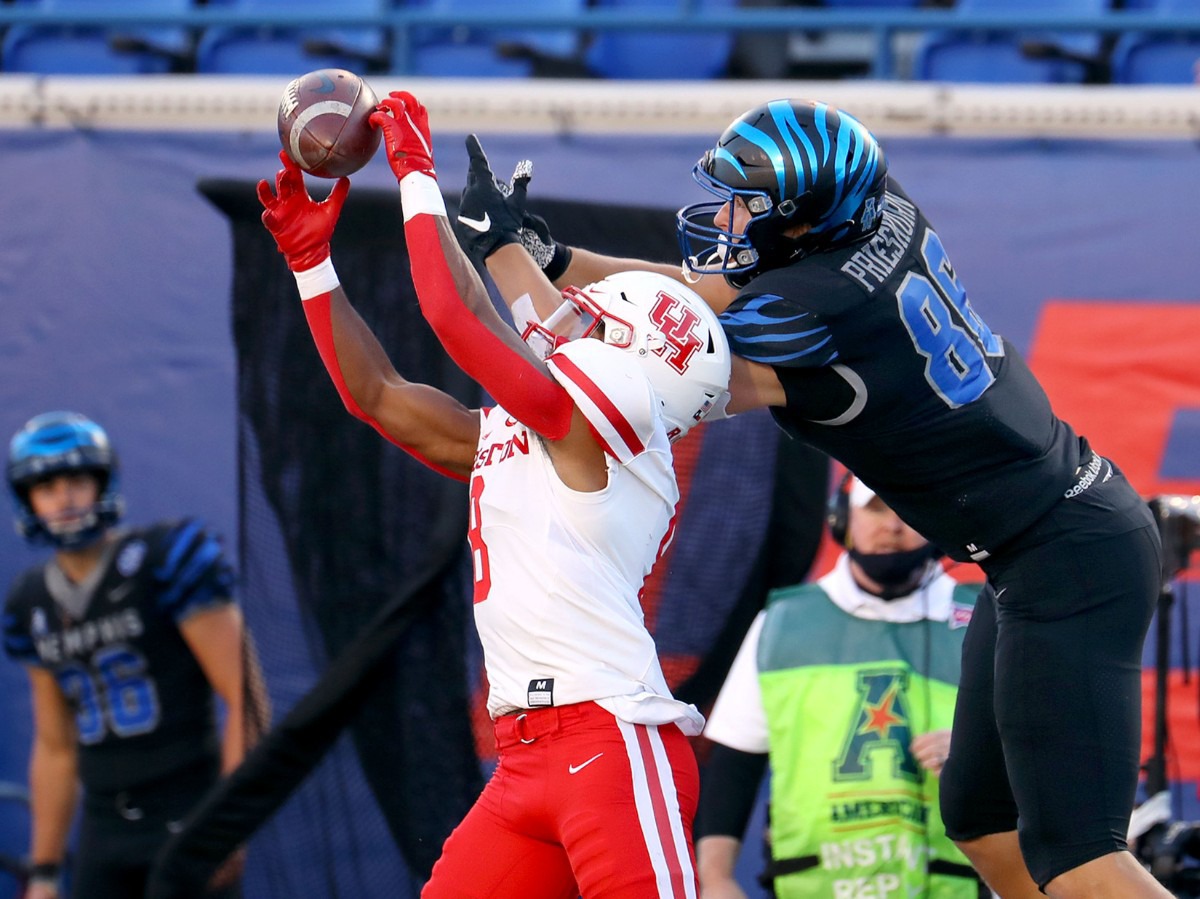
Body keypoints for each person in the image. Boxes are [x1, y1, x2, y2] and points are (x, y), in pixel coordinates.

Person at [452, 99, 1168, 898]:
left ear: (801, 221)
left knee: (1082, 858)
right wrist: (557, 258)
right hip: (1050, 536)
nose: (725, 215)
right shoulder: (875, 214)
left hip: (1063, 559)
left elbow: (626, 383)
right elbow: (704, 301)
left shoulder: (811, 316)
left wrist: (503, 254)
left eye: (747, 204)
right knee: (980, 820)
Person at [256, 89, 732, 898]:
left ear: (630, 352)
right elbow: (377, 393)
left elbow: (454, 321)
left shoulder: (602, 426)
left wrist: (415, 174)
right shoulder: (554, 428)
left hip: (611, 742)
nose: (563, 316)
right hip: (527, 756)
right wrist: (313, 267)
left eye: (592, 319)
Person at [695, 473, 982, 899]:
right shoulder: (782, 623)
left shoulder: (987, 620)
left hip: (956, 886)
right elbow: (734, 766)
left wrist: (981, 759)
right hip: (809, 887)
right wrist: (716, 879)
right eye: (876, 508)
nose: (892, 525)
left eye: (907, 509)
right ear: (841, 519)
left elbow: (1047, 757)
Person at [1, 411, 249, 899]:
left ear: (103, 482)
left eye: (76, 480)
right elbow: (55, 745)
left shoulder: (166, 559)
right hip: (104, 828)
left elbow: (247, 695)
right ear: (27, 499)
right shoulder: (29, 603)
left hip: (187, 812)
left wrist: (228, 824)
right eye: (46, 486)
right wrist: (46, 871)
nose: (64, 498)